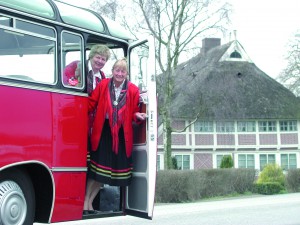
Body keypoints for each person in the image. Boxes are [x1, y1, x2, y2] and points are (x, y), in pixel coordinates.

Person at [83, 58, 147, 214]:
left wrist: (137, 115)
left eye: (122, 71)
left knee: (105, 173)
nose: (119, 73)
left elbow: (133, 112)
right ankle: (86, 203)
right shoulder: (104, 84)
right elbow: (91, 103)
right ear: (112, 71)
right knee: (96, 171)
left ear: (126, 74)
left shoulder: (132, 90)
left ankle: (89, 203)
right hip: (103, 132)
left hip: (121, 135)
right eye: (117, 70)